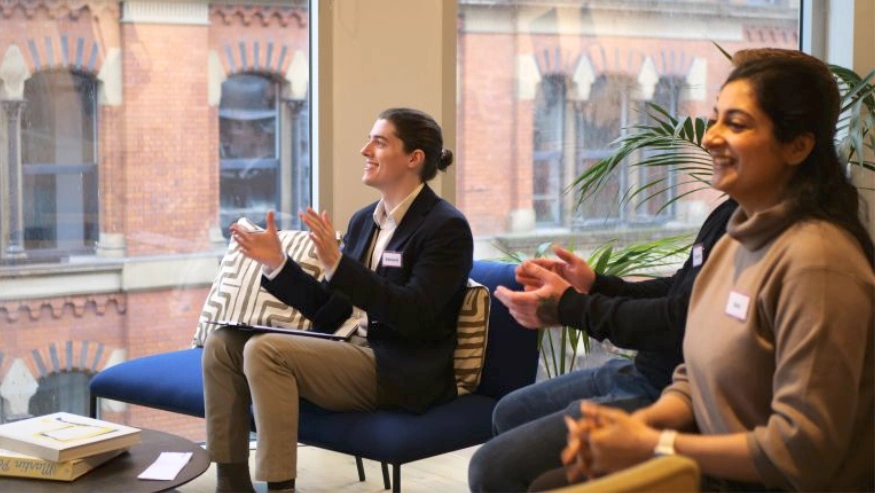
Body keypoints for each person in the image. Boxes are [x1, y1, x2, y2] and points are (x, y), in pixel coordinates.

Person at [532, 50, 875, 492]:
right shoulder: (737, 236)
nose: (710, 137)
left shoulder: (819, 265)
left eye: (736, 124)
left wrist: (654, 443)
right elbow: (695, 375)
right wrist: (635, 425)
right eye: (714, 119)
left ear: (798, 146)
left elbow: (801, 452)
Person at [202, 107, 474, 493]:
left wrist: (338, 263)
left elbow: (415, 314)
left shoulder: (446, 228)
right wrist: (277, 263)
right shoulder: (366, 220)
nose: (365, 150)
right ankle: (231, 483)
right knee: (222, 345)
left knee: (265, 352)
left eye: (379, 142)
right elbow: (331, 309)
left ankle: (281, 488)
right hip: (347, 348)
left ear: (414, 159)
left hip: (397, 367)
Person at [468, 195, 737, 492]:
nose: (712, 145)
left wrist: (571, 306)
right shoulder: (730, 212)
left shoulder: (763, 239)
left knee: (491, 469)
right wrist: (596, 284)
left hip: (670, 390)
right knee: (508, 412)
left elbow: (681, 320)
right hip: (640, 373)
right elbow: (677, 290)